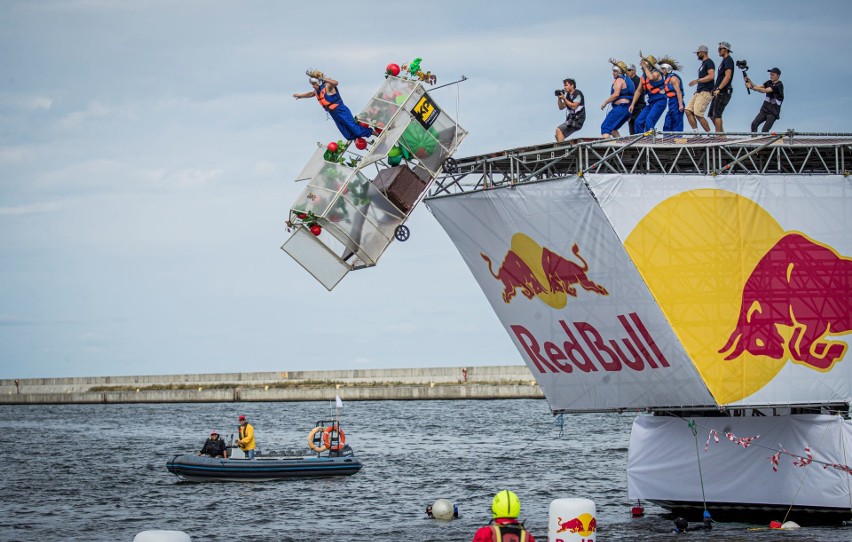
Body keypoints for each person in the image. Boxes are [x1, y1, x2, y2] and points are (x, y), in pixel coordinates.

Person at [293, 70, 374, 141]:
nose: (313, 86)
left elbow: (336, 83)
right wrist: (300, 96)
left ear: (318, 82)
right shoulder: (317, 91)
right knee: (348, 136)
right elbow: (310, 94)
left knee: (356, 130)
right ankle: (360, 137)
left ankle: (372, 132)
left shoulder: (327, 86)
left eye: (314, 84)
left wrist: (323, 79)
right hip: (333, 113)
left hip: (340, 109)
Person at [630, 53, 666, 133]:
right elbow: (639, 90)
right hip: (651, 102)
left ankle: (650, 140)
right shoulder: (643, 77)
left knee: (649, 121)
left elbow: (651, 77)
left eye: (644, 65)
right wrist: (632, 104)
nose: (642, 67)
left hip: (660, 101)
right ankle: (640, 141)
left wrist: (644, 66)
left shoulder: (656, 73)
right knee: (639, 121)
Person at [600, 59, 635, 138]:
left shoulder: (619, 80)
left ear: (619, 71)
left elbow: (616, 94)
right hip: (627, 109)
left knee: (605, 127)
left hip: (621, 107)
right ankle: (619, 147)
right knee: (613, 129)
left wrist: (605, 102)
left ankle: (609, 148)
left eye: (615, 71)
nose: (613, 73)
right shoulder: (629, 80)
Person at [685, 45, 716, 132]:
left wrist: (697, 81)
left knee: (698, 113)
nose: (697, 55)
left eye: (698, 53)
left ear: (703, 52)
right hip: (699, 92)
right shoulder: (703, 64)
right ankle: (696, 133)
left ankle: (710, 135)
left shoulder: (709, 62)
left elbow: (711, 76)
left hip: (706, 91)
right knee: (688, 110)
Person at [747, 67, 784, 132]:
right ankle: (754, 140)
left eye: (773, 74)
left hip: (773, 113)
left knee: (764, 130)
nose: (771, 76)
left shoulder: (779, 85)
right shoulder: (768, 82)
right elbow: (758, 87)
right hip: (764, 110)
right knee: (754, 124)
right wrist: (749, 81)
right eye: (770, 74)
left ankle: (764, 141)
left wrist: (752, 87)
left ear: (778, 76)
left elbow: (765, 90)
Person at [708, 42, 735, 132]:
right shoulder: (724, 61)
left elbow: (728, 76)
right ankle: (721, 136)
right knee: (712, 115)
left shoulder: (728, 60)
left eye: (720, 49)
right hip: (718, 91)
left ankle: (719, 137)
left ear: (726, 49)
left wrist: (719, 88)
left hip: (723, 92)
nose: (718, 51)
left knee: (717, 115)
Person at [555, 78, 586, 142]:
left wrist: (564, 99)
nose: (564, 87)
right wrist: (559, 98)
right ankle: (564, 149)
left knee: (558, 130)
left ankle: (562, 149)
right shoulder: (568, 96)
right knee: (557, 134)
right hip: (571, 119)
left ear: (572, 85)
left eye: (566, 85)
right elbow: (561, 107)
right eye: (564, 85)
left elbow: (574, 106)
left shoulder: (577, 94)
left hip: (578, 119)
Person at [659, 58, 685, 132]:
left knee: (677, 121)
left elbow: (678, 92)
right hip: (671, 102)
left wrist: (680, 105)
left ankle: (677, 140)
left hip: (676, 101)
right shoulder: (666, 79)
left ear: (668, 69)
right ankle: (667, 139)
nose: (662, 71)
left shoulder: (673, 78)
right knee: (667, 123)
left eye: (663, 69)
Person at [627, 64, 645, 134]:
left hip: (638, 107)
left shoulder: (638, 80)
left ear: (633, 71)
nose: (627, 72)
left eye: (629, 70)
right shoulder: (628, 81)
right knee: (631, 130)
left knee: (638, 127)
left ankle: (640, 143)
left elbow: (638, 93)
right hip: (631, 108)